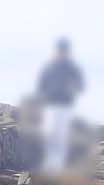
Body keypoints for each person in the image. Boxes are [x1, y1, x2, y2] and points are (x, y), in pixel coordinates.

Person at [36, 37, 84, 170]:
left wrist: (72, 89)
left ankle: (57, 165)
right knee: (50, 132)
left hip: (65, 105)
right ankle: (48, 163)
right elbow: (41, 85)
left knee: (61, 134)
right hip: (50, 105)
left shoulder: (71, 68)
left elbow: (80, 85)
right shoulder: (50, 67)